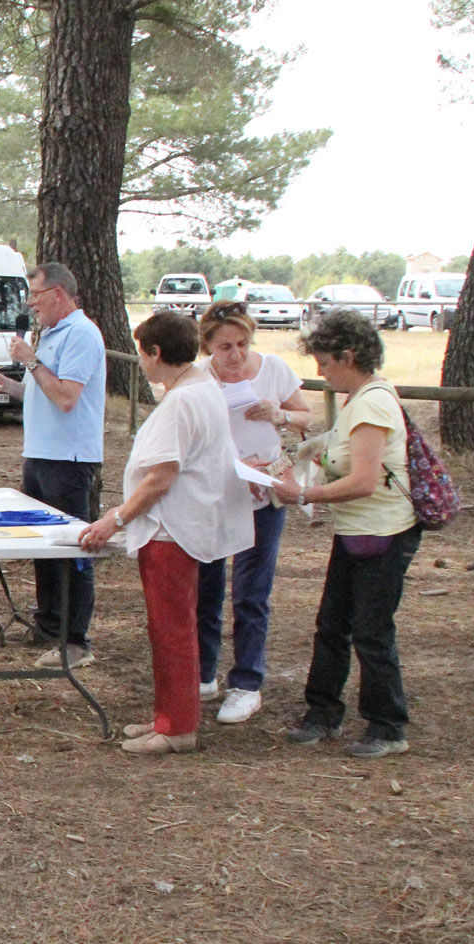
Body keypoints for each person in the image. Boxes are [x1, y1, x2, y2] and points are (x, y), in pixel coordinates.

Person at [77, 311, 253, 755]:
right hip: (179, 526)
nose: (141, 362)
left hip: (170, 530)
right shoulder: (199, 387)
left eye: (142, 353)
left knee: (171, 628)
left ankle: (177, 728)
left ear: (156, 353)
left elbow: (161, 476)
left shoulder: (182, 400)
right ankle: (169, 714)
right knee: (170, 627)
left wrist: (114, 519)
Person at [270, 309, 422, 759]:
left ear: (348, 356)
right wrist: (294, 457)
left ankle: (388, 724)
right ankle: (322, 712)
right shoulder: (360, 398)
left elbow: (364, 481)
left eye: (324, 361)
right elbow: (336, 452)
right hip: (359, 530)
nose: (319, 370)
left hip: (383, 532)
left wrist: (303, 494)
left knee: (372, 631)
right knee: (332, 625)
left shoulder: (372, 403)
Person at [0, 262, 107, 669]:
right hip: (40, 454)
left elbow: (67, 397)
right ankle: (49, 624)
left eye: (35, 296)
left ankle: (76, 640)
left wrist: (31, 361)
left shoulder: (82, 334)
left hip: (69, 458)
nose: (31, 305)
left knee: (71, 548)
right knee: (42, 544)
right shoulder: (51, 334)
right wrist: (9, 384)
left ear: (59, 294)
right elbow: (43, 393)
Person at [196, 302, 313, 725]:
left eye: (243, 344)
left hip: (265, 491)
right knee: (206, 584)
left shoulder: (274, 369)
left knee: (251, 590)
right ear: (208, 344)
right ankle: (202, 673)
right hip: (217, 489)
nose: (236, 355)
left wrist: (279, 413)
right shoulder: (199, 378)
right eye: (225, 346)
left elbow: (305, 415)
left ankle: (246, 683)